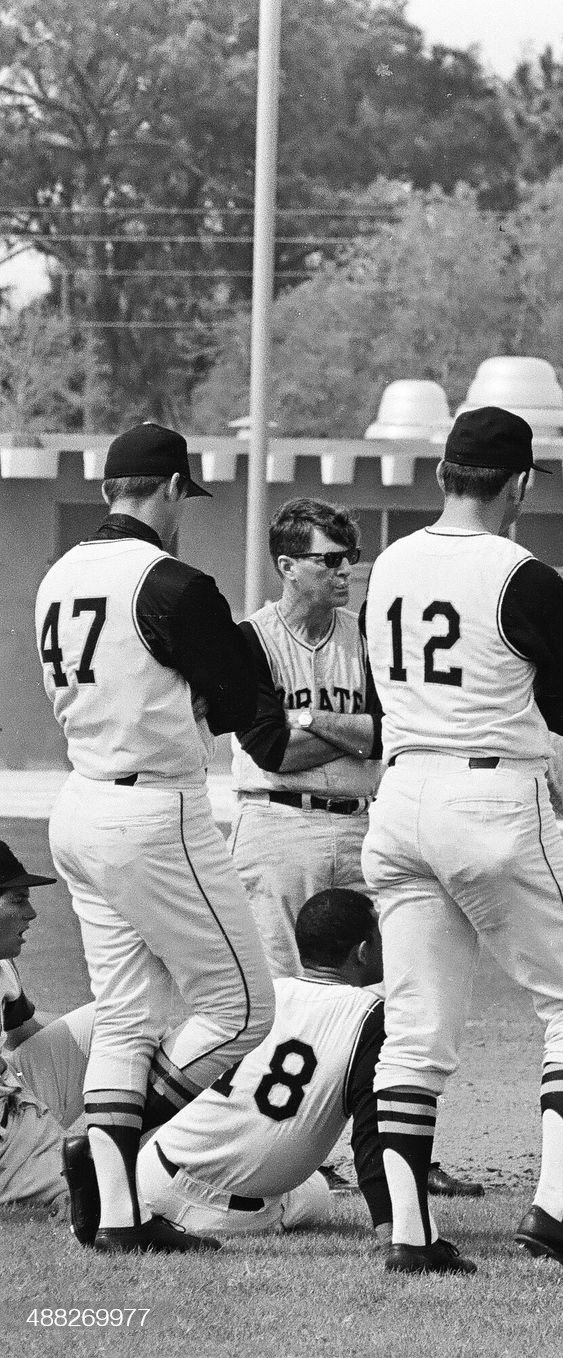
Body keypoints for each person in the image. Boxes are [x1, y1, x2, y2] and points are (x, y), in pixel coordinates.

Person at [361, 406, 563, 1276]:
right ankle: (556, 1209)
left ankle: (409, 1233)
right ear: (519, 483)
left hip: (398, 796)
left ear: (442, 474)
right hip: (489, 794)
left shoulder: (391, 560)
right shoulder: (523, 573)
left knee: (415, 1028)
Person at [35, 422, 273, 1253]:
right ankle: (106, 1154)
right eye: (187, 497)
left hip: (80, 801)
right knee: (243, 1010)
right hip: (153, 810)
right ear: (171, 488)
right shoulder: (171, 581)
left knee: (130, 1016)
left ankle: (120, 1217)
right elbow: (243, 706)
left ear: (108, 490)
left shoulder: (57, 574)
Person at [134, 889, 391, 1239]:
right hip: (228, 1219)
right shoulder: (371, 1017)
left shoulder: (255, 995)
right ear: (361, 953)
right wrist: (392, 1231)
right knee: (316, 1194)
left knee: (311, 1188)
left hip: (148, 1178)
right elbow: (373, 1136)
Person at [229, 497, 382, 980]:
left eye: (349, 559)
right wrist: (353, 731)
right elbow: (273, 750)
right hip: (278, 826)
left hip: (361, 826)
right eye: (331, 559)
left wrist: (309, 718)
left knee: (371, 980)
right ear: (288, 566)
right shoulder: (249, 639)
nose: (345, 572)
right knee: (279, 984)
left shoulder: (365, 638)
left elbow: (386, 734)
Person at [0, 840, 93, 1216]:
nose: (32, 913)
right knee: (114, 1186)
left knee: (118, 1021)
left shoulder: (2, 964)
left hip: (14, 1099)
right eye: (18, 900)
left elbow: (26, 1034)